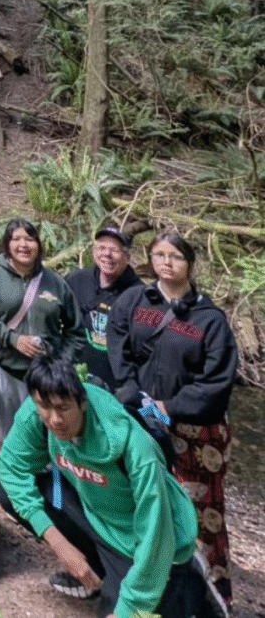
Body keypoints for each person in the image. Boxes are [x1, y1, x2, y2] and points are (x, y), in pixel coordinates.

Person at [0, 356, 221, 618]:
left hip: (142, 534)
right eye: (45, 407)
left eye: (63, 408)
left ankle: (190, 580)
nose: (54, 419)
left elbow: (155, 531)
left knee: (141, 606)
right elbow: (10, 468)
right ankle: (94, 565)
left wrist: (127, 608)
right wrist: (59, 543)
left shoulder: (133, 446)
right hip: (94, 510)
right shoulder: (39, 412)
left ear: (82, 402)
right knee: (8, 493)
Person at [107, 231, 238, 607]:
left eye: (175, 256)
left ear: (190, 265)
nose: (166, 262)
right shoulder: (136, 300)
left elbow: (217, 379)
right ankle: (154, 585)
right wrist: (130, 391)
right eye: (159, 255)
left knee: (200, 515)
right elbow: (119, 344)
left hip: (195, 433)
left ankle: (214, 596)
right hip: (143, 420)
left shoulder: (209, 319)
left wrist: (172, 407)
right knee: (149, 501)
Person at [0, 218, 86, 440]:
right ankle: (13, 473)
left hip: (48, 377)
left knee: (50, 434)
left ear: (39, 245)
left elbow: (76, 330)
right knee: (13, 435)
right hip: (9, 371)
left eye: (30, 239)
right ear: (7, 245)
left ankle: (51, 474)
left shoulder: (54, 282)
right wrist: (13, 339)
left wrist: (60, 363)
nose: (23, 244)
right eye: (16, 239)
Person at [64, 226, 142, 391]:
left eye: (114, 250)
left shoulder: (139, 295)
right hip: (74, 378)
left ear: (127, 257)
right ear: (94, 252)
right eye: (102, 248)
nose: (107, 254)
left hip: (116, 386)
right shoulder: (77, 280)